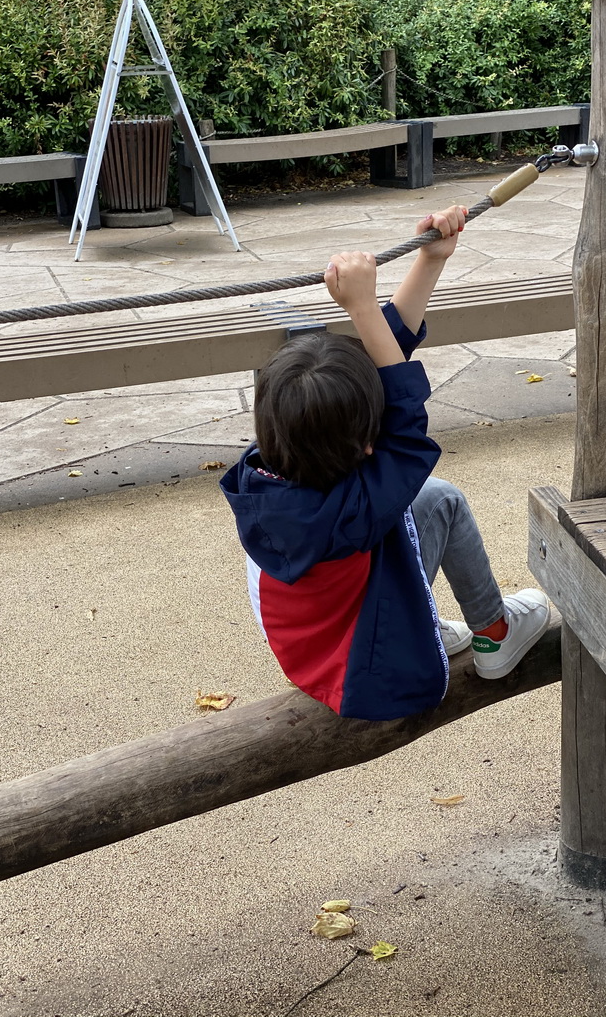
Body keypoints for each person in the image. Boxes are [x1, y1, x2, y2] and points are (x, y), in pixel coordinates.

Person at [220, 205, 550, 721]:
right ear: (366, 446)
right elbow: (405, 424)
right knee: (440, 500)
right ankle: (495, 634)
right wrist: (360, 307)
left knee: (412, 503)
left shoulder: (273, 465)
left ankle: (424, 620)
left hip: (309, 644)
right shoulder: (353, 507)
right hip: (361, 666)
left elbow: (383, 374)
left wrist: (430, 261)